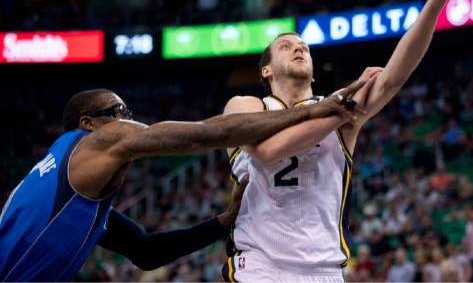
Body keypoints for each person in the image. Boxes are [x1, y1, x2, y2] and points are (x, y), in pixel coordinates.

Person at [222, 0, 473, 282]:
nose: (299, 48)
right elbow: (270, 150)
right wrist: (344, 108)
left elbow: (393, 77)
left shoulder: (340, 105)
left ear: (314, 73)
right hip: (260, 266)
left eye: (304, 47)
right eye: (287, 46)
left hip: (325, 269)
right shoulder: (245, 105)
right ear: (266, 71)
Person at [0, 85, 365, 282]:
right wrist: (311, 110)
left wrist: (222, 223)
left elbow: (146, 252)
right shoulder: (92, 143)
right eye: (120, 114)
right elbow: (206, 134)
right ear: (89, 124)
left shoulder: (63, 189)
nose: (130, 122)